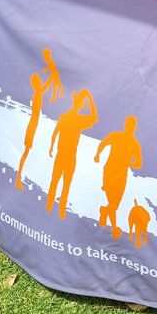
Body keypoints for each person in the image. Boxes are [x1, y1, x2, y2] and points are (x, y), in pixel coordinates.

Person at [46, 88, 98, 221]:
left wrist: (52, 147)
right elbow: (94, 117)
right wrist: (89, 99)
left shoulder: (67, 117)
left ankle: (52, 208)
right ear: (80, 105)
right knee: (63, 184)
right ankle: (57, 210)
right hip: (67, 156)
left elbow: (55, 133)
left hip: (64, 155)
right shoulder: (78, 119)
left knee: (57, 182)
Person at [94, 115, 143, 239]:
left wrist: (98, 155)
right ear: (134, 127)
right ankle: (111, 223)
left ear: (126, 125)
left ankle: (110, 220)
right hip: (118, 174)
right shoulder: (133, 143)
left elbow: (103, 144)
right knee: (114, 204)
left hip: (113, 173)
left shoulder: (118, 136)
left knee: (113, 204)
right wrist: (128, 163)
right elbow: (138, 164)